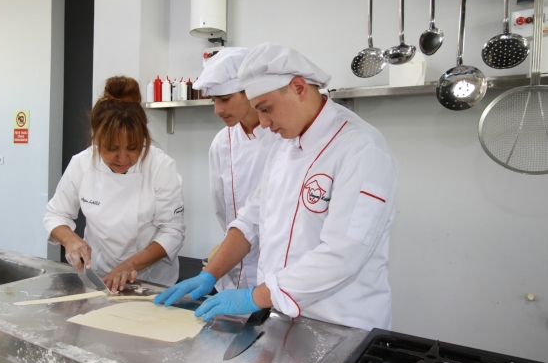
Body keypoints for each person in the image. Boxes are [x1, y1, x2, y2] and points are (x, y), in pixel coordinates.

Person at [155, 43, 398, 331]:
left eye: (267, 109)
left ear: (299, 88)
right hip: (283, 319)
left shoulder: (362, 148)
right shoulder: (284, 144)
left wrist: (254, 297)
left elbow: (343, 255)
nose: (264, 122)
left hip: (341, 324)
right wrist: (209, 274)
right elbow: (251, 220)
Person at [44, 76, 186, 292]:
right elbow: (56, 214)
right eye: (112, 148)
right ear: (97, 139)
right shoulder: (82, 163)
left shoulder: (160, 166)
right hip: (99, 276)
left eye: (133, 148)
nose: (122, 158)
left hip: (151, 281)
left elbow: (172, 231)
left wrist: (131, 264)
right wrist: (70, 240)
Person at [193, 47, 276, 292]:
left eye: (225, 99)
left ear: (249, 92)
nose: (217, 110)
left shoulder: (282, 135)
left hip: (276, 268)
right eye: (214, 101)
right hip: (233, 268)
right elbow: (222, 209)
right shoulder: (222, 142)